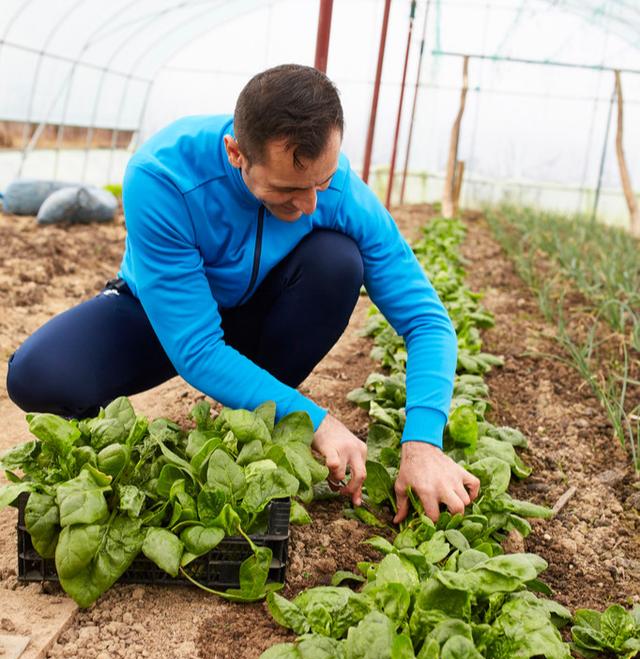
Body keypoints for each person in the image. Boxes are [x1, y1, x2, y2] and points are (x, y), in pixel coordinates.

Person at [6, 64, 479, 524]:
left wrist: (423, 444)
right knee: (37, 376)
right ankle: (123, 428)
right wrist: (318, 421)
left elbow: (427, 320)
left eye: (322, 181)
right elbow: (197, 348)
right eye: (287, 189)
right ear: (236, 153)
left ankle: (256, 413)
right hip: (166, 316)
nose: (311, 203)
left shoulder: (338, 188)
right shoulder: (163, 176)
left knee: (337, 261)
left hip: (260, 317)